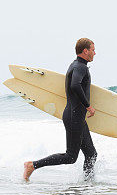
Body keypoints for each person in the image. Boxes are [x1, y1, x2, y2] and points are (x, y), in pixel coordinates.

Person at [24, 38, 97, 181]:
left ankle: (87, 185)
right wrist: (88, 105)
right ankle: (32, 165)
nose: (95, 53)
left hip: (76, 116)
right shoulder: (80, 67)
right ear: (85, 51)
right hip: (74, 117)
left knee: (91, 154)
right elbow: (75, 85)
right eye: (93, 50)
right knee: (70, 157)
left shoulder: (75, 65)